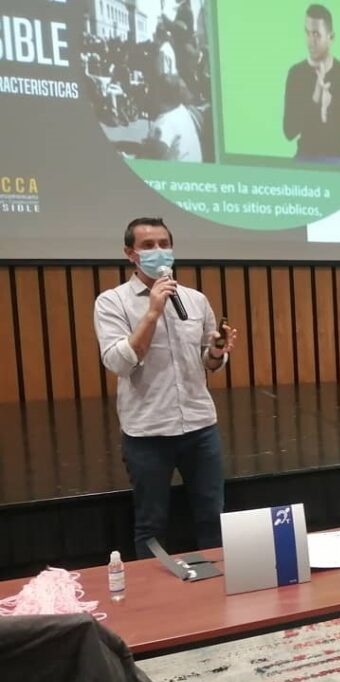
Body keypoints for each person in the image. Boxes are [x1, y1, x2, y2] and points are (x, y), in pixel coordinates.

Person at [93, 217, 239, 557]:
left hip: (200, 427)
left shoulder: (195, 299)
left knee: (212, 519)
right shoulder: (112, 302)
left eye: (163, 244)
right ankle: (156, 605)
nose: (158, 251)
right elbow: (118, 362)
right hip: (148, 433)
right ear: (130, 253)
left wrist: (217, 350)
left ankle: (220, 593)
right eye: (148, 246)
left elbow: (209, 361)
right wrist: (152, 312)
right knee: (152, 525)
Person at [283, 4, 340, 164]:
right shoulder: (296, 73)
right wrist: (315, 99)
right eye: (308, 33)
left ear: (331, 37)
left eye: (317, 34)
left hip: (337, 158)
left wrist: (329, 107)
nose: (310, 41)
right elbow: (289, 131)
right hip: (305, 158)